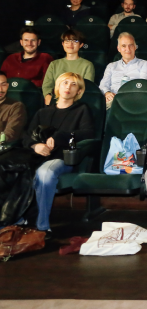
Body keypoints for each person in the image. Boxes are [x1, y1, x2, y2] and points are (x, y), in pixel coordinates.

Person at [23, 72, 94, 234]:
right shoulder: (43, 112)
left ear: (79, 91)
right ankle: (16, 220)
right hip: (37, 157)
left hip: (64, 158)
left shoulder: (82, 109)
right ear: (57, 87)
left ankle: (42, 227)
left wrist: (62, 136)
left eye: (73, 84)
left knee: (45, 173)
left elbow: (88, 134)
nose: (68, 87)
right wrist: (35, 146)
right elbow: (26, 136)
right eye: (65, 83)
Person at [99, 33, 147, 107]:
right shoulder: (111, 66)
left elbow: (142, 85)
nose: (128, 49)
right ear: (118, 49)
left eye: (131, 45)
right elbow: (103, 85)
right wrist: (107, 93)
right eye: (124, 46)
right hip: (112, 101)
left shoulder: (144, 64)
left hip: (133, 100)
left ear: (135, 47)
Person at [42, 30, 95, 104]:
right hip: (56, 101)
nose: (70, 44)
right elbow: (47, 85)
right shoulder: (54, 64)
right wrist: (48, 97)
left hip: (77, 102)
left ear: (81, 44)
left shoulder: (87, 65)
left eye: (75, 41)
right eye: (67, 41)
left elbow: (86, 87)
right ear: (63, 44)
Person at [0, 71, 27, 142]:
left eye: (3, 85)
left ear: (8, 86)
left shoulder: (16, 107)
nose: (0, 89)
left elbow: (11, 134)